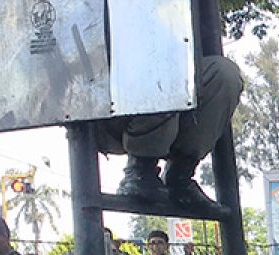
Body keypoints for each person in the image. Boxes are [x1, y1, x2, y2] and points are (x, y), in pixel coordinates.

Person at [94, 55, 243, 216]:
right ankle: (140, 170)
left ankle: (180, 176)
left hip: (171, 95)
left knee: (224, 74)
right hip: (106, 106)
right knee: (164, 62)